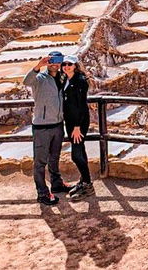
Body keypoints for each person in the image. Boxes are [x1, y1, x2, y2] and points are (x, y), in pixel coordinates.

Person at [23, 51, 72, 205]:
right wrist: (38, 65)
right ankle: (43, 193)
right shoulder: (39, 78)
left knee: (54, 157)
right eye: (51, 61)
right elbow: (26, 81)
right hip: (42, 126)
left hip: (57, 124)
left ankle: (56, 184)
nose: (54, 64)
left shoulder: (62, 77)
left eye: (58, 61)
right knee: (40, 161)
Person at [61, 54, 94, 200]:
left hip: (78, 123)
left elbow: (80, 105)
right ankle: (84, 181)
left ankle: (87, 184)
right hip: (70, 122)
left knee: (76, 155)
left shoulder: (80, 81)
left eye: (69, 64)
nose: (66, 66)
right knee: (81, 150)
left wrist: (76, 126)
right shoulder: (66, 80)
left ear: (75, 65)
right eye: (64, 64)